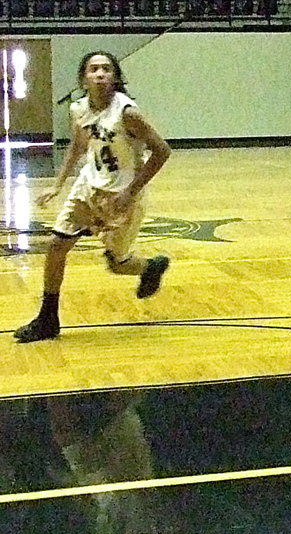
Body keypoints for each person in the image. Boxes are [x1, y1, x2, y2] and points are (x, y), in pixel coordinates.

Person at [13, 51, 172, 344]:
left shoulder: (128, 114)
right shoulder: (79, 109)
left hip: (122, 196)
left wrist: (130, 192)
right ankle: (48, 318)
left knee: (117, 263)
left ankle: (150, 266)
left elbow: (162, 151)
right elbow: (77, 147)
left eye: (106, 69)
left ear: (115, 78)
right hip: (88, 188)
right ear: (83, 78)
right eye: (93, 69)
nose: (100, 74)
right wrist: (58, 185)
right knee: (57, 245)